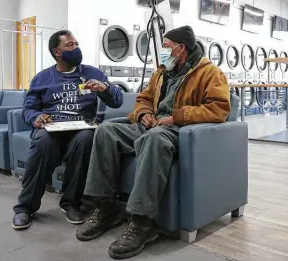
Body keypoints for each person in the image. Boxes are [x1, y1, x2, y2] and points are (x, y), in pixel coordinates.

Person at [76, 25, 231, 259]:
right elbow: (143, 99)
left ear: (181, 49)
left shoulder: (211, 73)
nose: (163, 51)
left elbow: (218, 109)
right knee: (106, 130)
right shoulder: (161, 72)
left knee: (154, 137)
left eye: (167, 47)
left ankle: (142, 222)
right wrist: (143, 114)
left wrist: (176, 117)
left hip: (178, 129)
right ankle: (106, 207)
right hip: (151, 124)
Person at [12, 30, 123, 230]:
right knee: (42, 143)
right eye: (70, 45)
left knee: (86, 139)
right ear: (57, 51)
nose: (76, 48)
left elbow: (117, 100)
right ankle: (25, 207)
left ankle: (71, 202)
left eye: (77, 44)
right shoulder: (42, 78)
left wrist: (105, 88)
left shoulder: (92, 73)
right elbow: (28, 109)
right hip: (52, 127)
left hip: (82, 127)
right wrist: (36, 117)